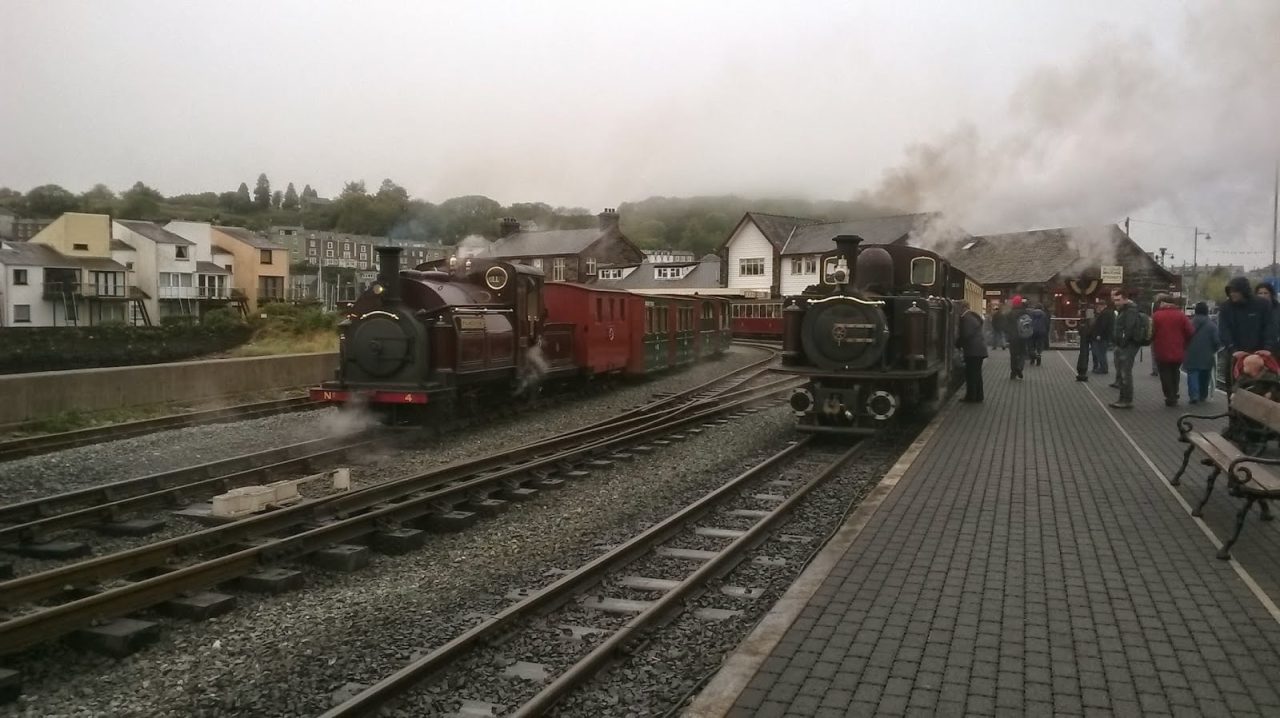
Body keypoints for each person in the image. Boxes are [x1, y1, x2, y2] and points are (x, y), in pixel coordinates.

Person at [1151, 294, 1193, 406]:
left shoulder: (1156, 316)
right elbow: (1190, 331)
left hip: (1161, 350)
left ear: (1163, 303)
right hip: (1178, 350)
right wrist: (1185, 343)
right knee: (1175, 371)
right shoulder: (1181, 316)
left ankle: (1169, 395)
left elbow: (1151, 332)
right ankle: (1174, 392)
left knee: (1164, 373)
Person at [1219, 276, 1272, 357]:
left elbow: (1270, 326)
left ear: (1244, 291)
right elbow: (1224, 330)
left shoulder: (1262, 305)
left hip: (1260, 352)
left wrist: (1267, 348)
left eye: (1235, 291)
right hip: (1235, 352)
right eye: (1230, 292)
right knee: (1225, 367)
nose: (1232, 294)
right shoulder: (1225, 307)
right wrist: (1232, 348)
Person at [1109, 288, 1143, 409]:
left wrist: (1122, 343)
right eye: (1115, 300)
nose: (1116, 302)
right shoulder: (1125, 310)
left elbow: (1129, 328)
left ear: (1125, 299)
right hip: (1124, 345)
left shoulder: (1130, 311)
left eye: (1118, 300)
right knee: (1123, 372)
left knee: (1125, 373)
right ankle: (1123, 398)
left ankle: (1126, 400)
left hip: (1128, 345)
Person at [1183, 302, 1220, 404]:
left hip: (1191, 354)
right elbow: (1217, 341)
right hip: (1207, 355)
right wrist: (1214, 350)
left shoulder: (1189, 323)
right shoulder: (1212, 325)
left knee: (1192, 375)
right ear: (1207, 311)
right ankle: (1203, 395)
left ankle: (1194, 395)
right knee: (1205, 376)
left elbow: (1184, 338)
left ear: (1195, 311)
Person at [956, 301, 988, 402]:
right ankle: (978, 396)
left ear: (963, 307)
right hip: (979, 350)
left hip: (973, 351)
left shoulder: (966, 318)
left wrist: (957, 344)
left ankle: (971, 397)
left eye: (959, 308)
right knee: (977, 374)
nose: (958, 311)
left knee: (971, 374)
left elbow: (966, 334)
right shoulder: (973, 317)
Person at [1008, 295, 1031, 380]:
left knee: (1013, 355)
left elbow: (1007, 325)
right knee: (1022, 353)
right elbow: (1028, 324)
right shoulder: (1025, 312)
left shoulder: (1010, 313)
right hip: (1022, 336)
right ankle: (1019, 367)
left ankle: (1013, 372)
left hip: (1013, 337)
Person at [1091, 298, 1114, 376]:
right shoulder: (1108, 312)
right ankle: (1103, 367)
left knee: (1101, 353)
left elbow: (1103, 325)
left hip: (1102, 337)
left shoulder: (1105, 313)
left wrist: (1099, 334)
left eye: (1099, 306)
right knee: (1101, 353)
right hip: (1105, 336)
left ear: (1103, 306)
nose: (1098, 307)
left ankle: (1103, 368)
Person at [1075, 305, 1096, 381]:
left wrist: (1085, 332)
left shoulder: (1089, 311)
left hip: (1087, 335)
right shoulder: (1087, 313)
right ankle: (1083, 368)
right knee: (1085, 352)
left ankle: (1082, 369)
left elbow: (1091, 323)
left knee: (1084, 352)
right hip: (1087, 335)